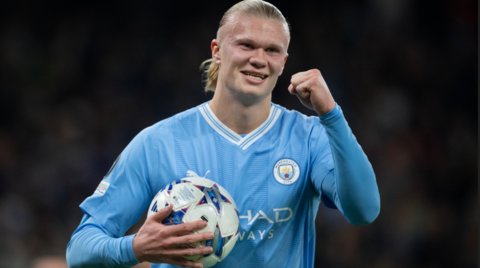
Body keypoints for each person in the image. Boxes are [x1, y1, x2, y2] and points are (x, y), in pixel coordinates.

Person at [66, 0, 380, 267]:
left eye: (272, 50)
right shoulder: (158, 143)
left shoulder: (309, 138)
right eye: (246, 45)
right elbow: (79, 249)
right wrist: (135, 248)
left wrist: (331, 115)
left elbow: (364, 211)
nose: (258, 59)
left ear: (283, 63)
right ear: (217, 51)